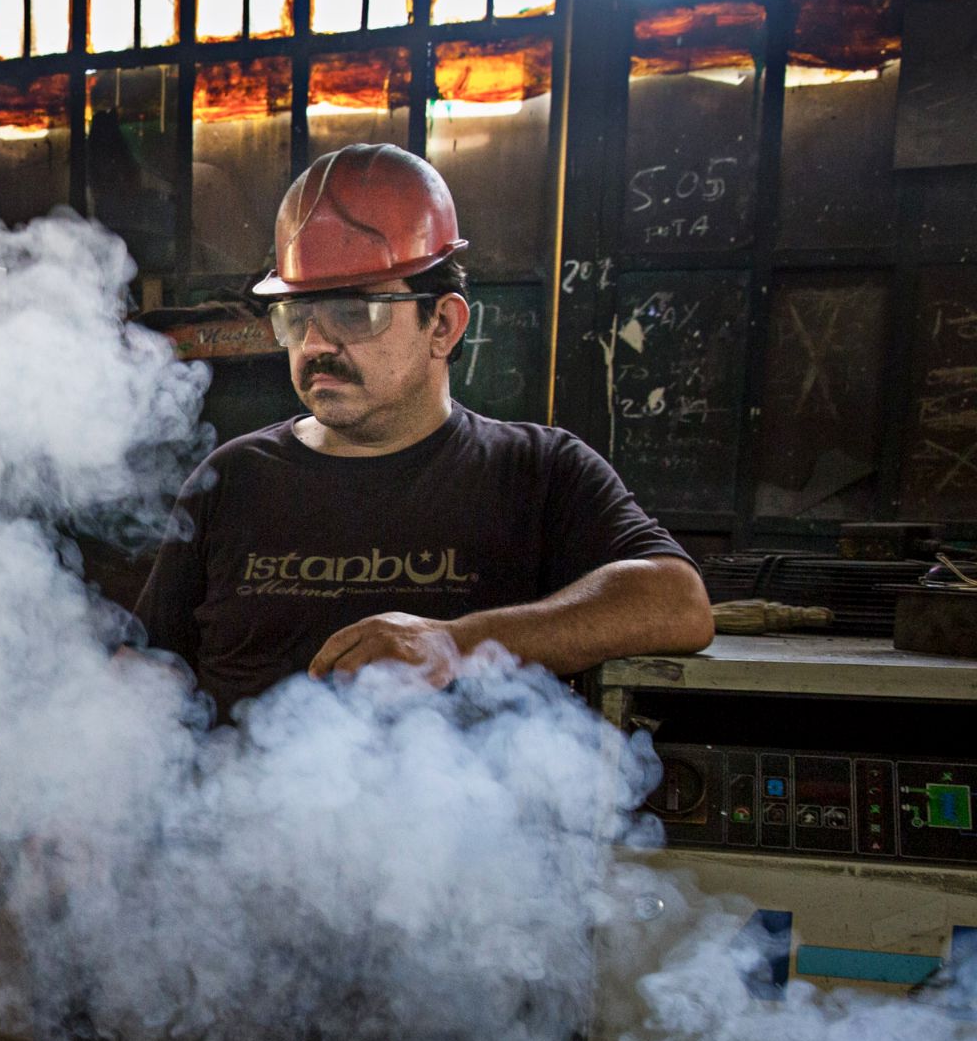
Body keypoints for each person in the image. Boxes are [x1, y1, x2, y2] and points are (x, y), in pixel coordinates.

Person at [133, 144, 713, 719]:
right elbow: (149, 670)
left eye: (353, 312)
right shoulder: (231, 479)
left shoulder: (537, 472)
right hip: (243, 784)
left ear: (442, 325)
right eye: (297, 316)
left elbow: (678, 602)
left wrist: (457, 644)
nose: (314, 345)